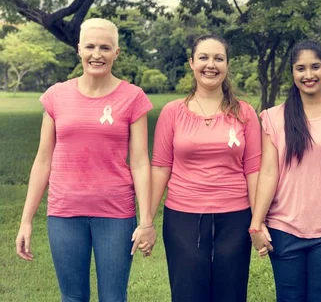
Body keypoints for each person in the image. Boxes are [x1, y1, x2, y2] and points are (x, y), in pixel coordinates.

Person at [15, 18, 155, 301]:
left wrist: (147, 220)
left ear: (116, 53)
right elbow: (43, 160)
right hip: (64, 213)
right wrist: (26, 220)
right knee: (73, 297)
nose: (97, 54)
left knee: (114, 297)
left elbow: (140, 163)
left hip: (116, 214)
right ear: (79, 49)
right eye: (90, 46)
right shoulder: (56, 96)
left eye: (105, 47)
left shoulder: (133, 98)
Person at [150, 34, 261, 302]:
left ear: (226, 65)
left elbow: (254, 169)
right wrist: (147, 221)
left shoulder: (244, 113)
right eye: (203, 57)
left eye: (218, 58)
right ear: (191, 63)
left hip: (235, 217)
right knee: (187, 293)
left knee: (231, 293)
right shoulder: (172, 112)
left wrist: (258, 221)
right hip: (183, 218)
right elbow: (161, 167)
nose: (210, 65)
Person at [249, 40, 321, 302]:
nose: (308, 75)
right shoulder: (273, 117)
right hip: (284, 227)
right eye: (301, 68)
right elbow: (268, 172)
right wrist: (257, 222)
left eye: (315, 67)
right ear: (292, 73)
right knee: (289, 297)